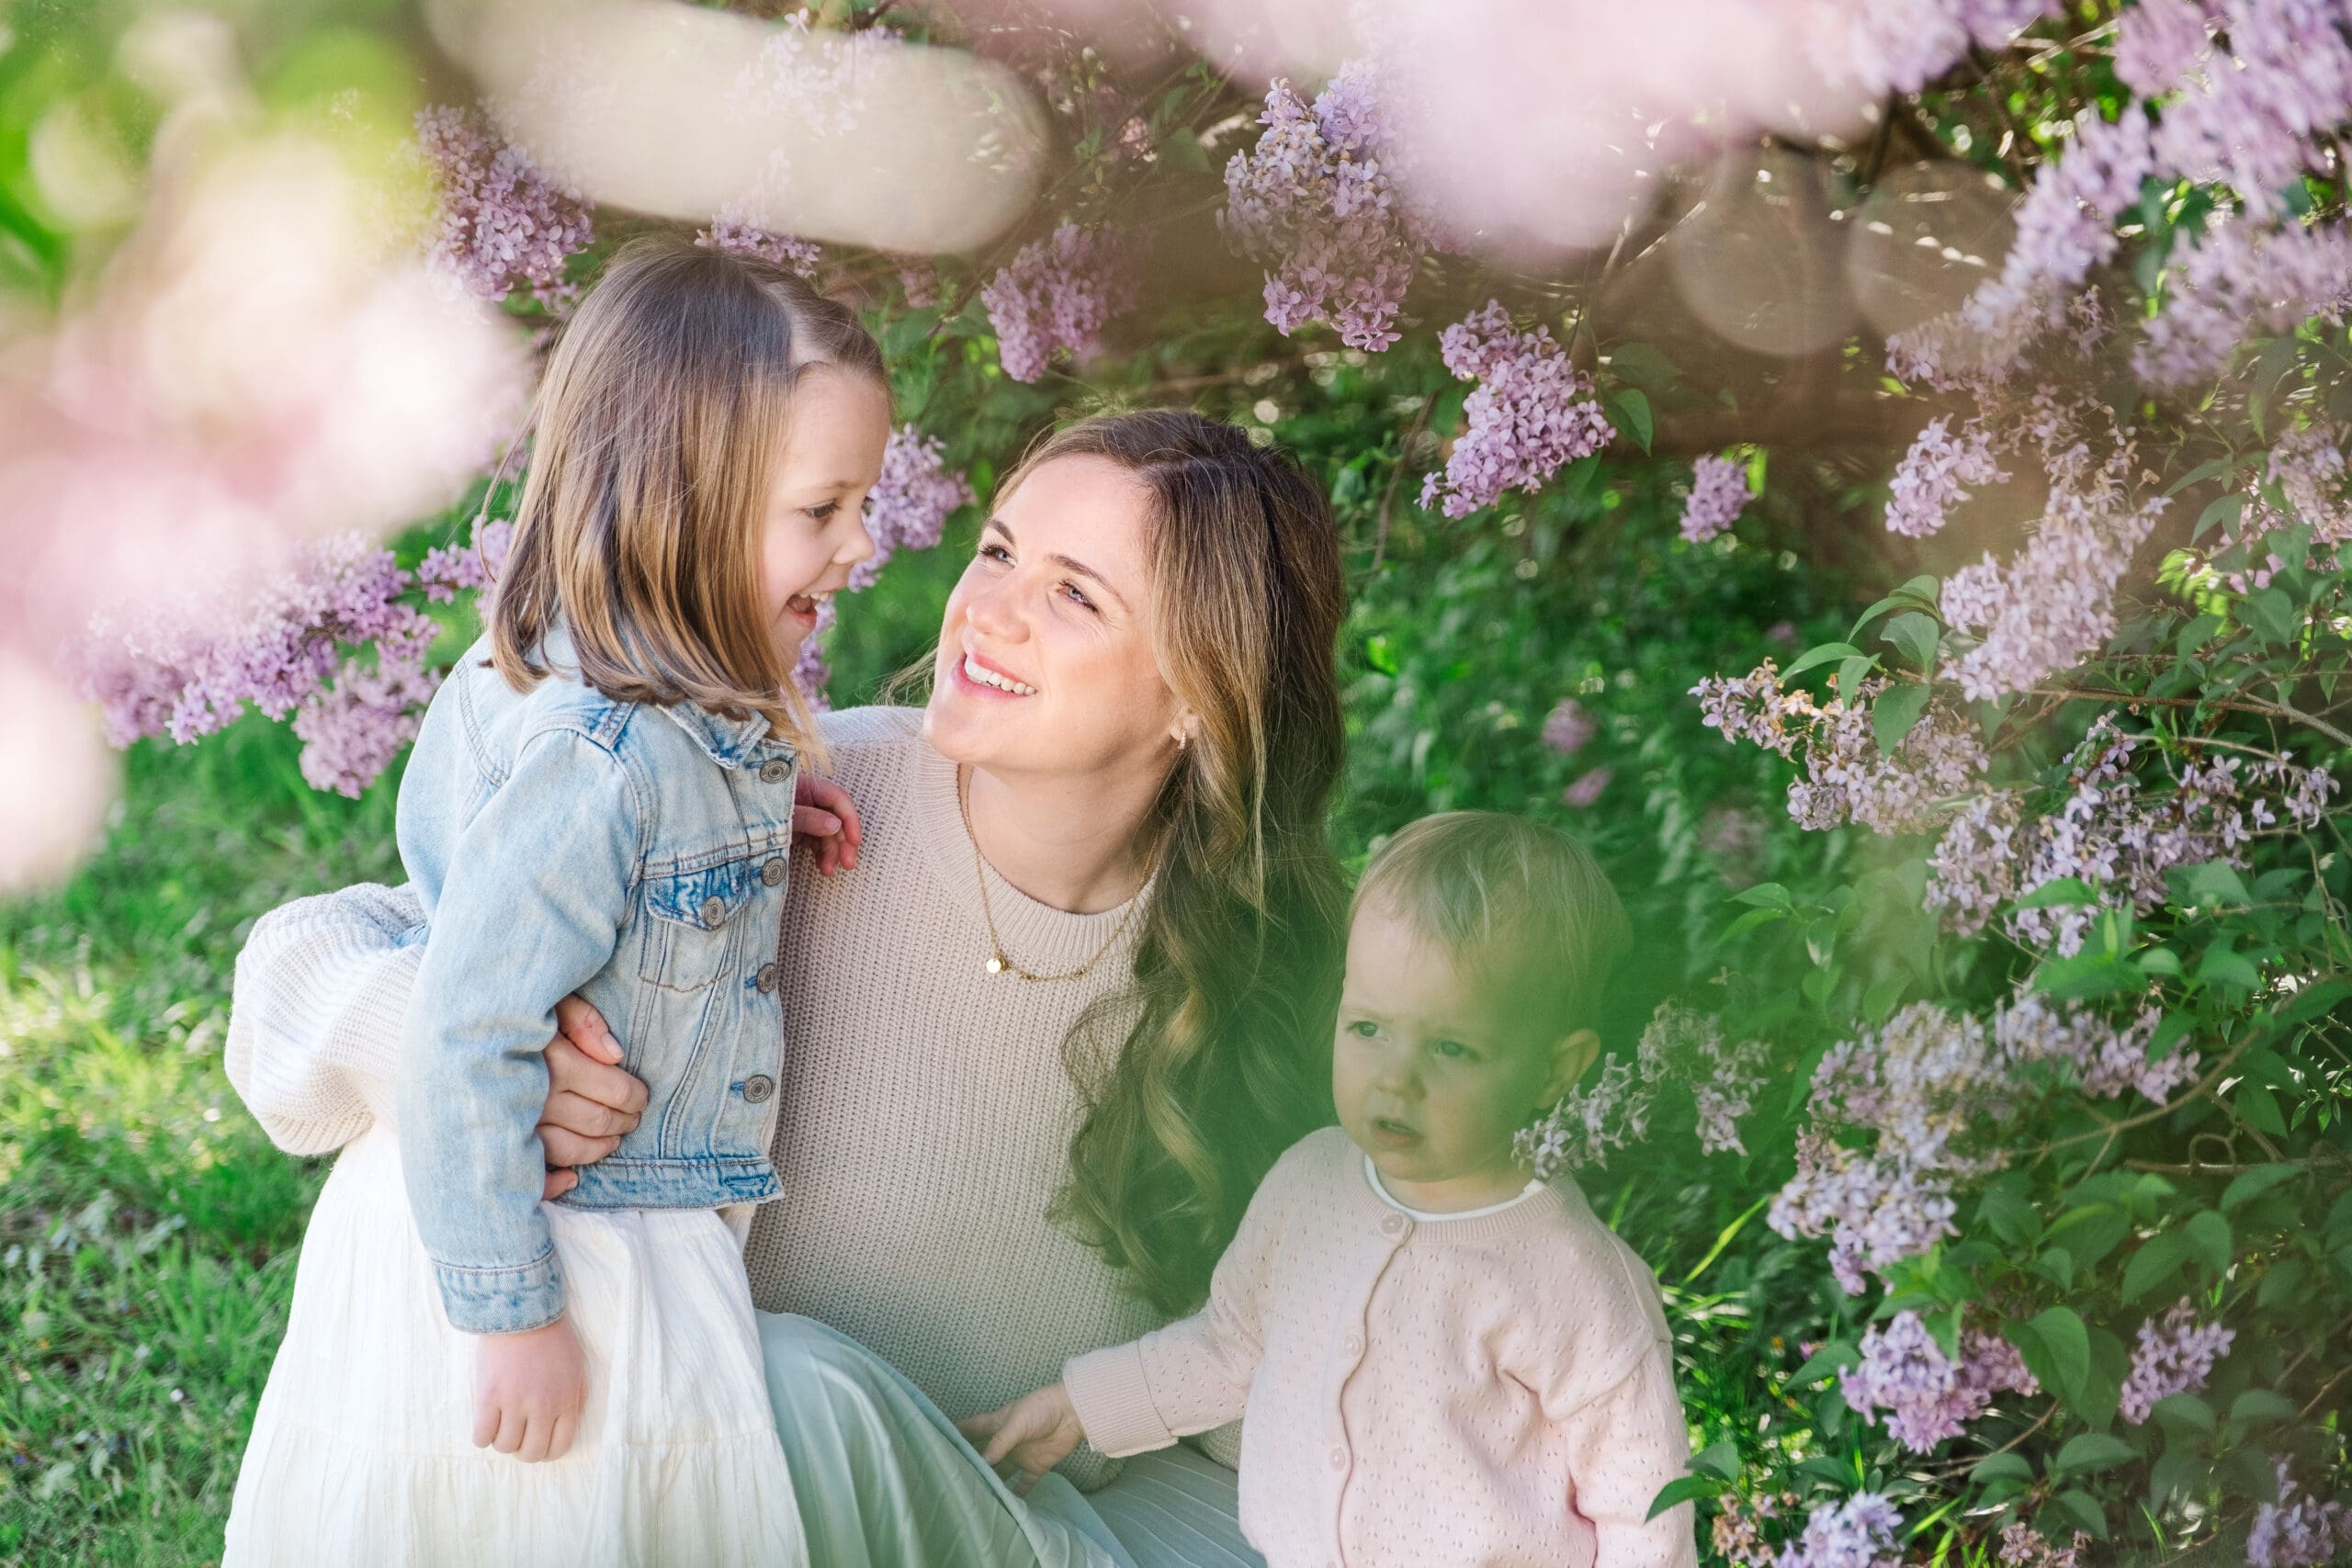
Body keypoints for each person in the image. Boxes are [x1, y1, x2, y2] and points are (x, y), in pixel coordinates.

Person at [225, 406, 1351, 1565]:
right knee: (773, 1387)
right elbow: (295, 970)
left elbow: (1305, 1389)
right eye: (998, 551)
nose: (987, 611)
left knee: (790, 1390)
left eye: (1074, 594)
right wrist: (474, 1052)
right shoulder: (772, 802)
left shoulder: (1278, 974)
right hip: (706, 1494)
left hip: (1028, 1531)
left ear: (1199, 693)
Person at [223, 235, 893, 1565]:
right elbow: (464, 1026)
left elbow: (613, 885)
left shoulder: (611, 703)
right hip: (555, 1252)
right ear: (682, 503)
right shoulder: (604, 754)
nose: (862, 546)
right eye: (822, 510)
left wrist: (747, 819)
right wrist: (513, 1311)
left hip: (562, 1228)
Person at [962, 812, 1701, 1568]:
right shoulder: (1312, 1182)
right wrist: (1079, 1408)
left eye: (1451, 1047)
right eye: (1370, 1028)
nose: (1396, 1079)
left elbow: (1644, 1504)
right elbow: (1228, 1346)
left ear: (1554, 1069)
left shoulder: (1572, 1276)